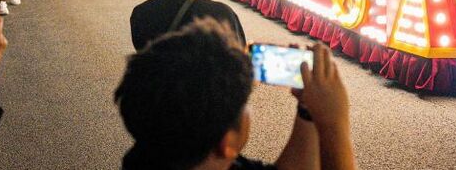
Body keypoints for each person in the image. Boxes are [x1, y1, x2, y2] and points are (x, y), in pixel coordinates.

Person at [115, 19, 357, 170]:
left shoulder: (149, 155)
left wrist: (308, 112)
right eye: (244, 106)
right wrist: (335, 124)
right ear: (227, 144)